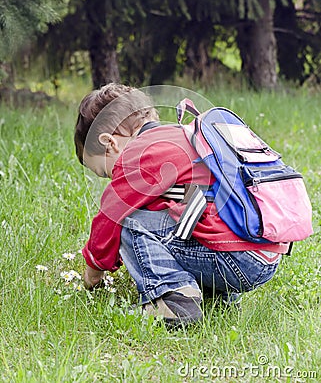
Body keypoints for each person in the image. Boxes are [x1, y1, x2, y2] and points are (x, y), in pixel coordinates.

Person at [74, 82, 290, 326]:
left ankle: (173, 301)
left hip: (233, 259)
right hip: (265, 256)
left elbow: (109, 219)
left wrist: (94, 271)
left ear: (109, 143)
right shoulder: (184, 138)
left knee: (129, 220)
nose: (113, 179)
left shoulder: (138, 154)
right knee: (182, 211)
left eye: (105, 171)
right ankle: (219, 301)